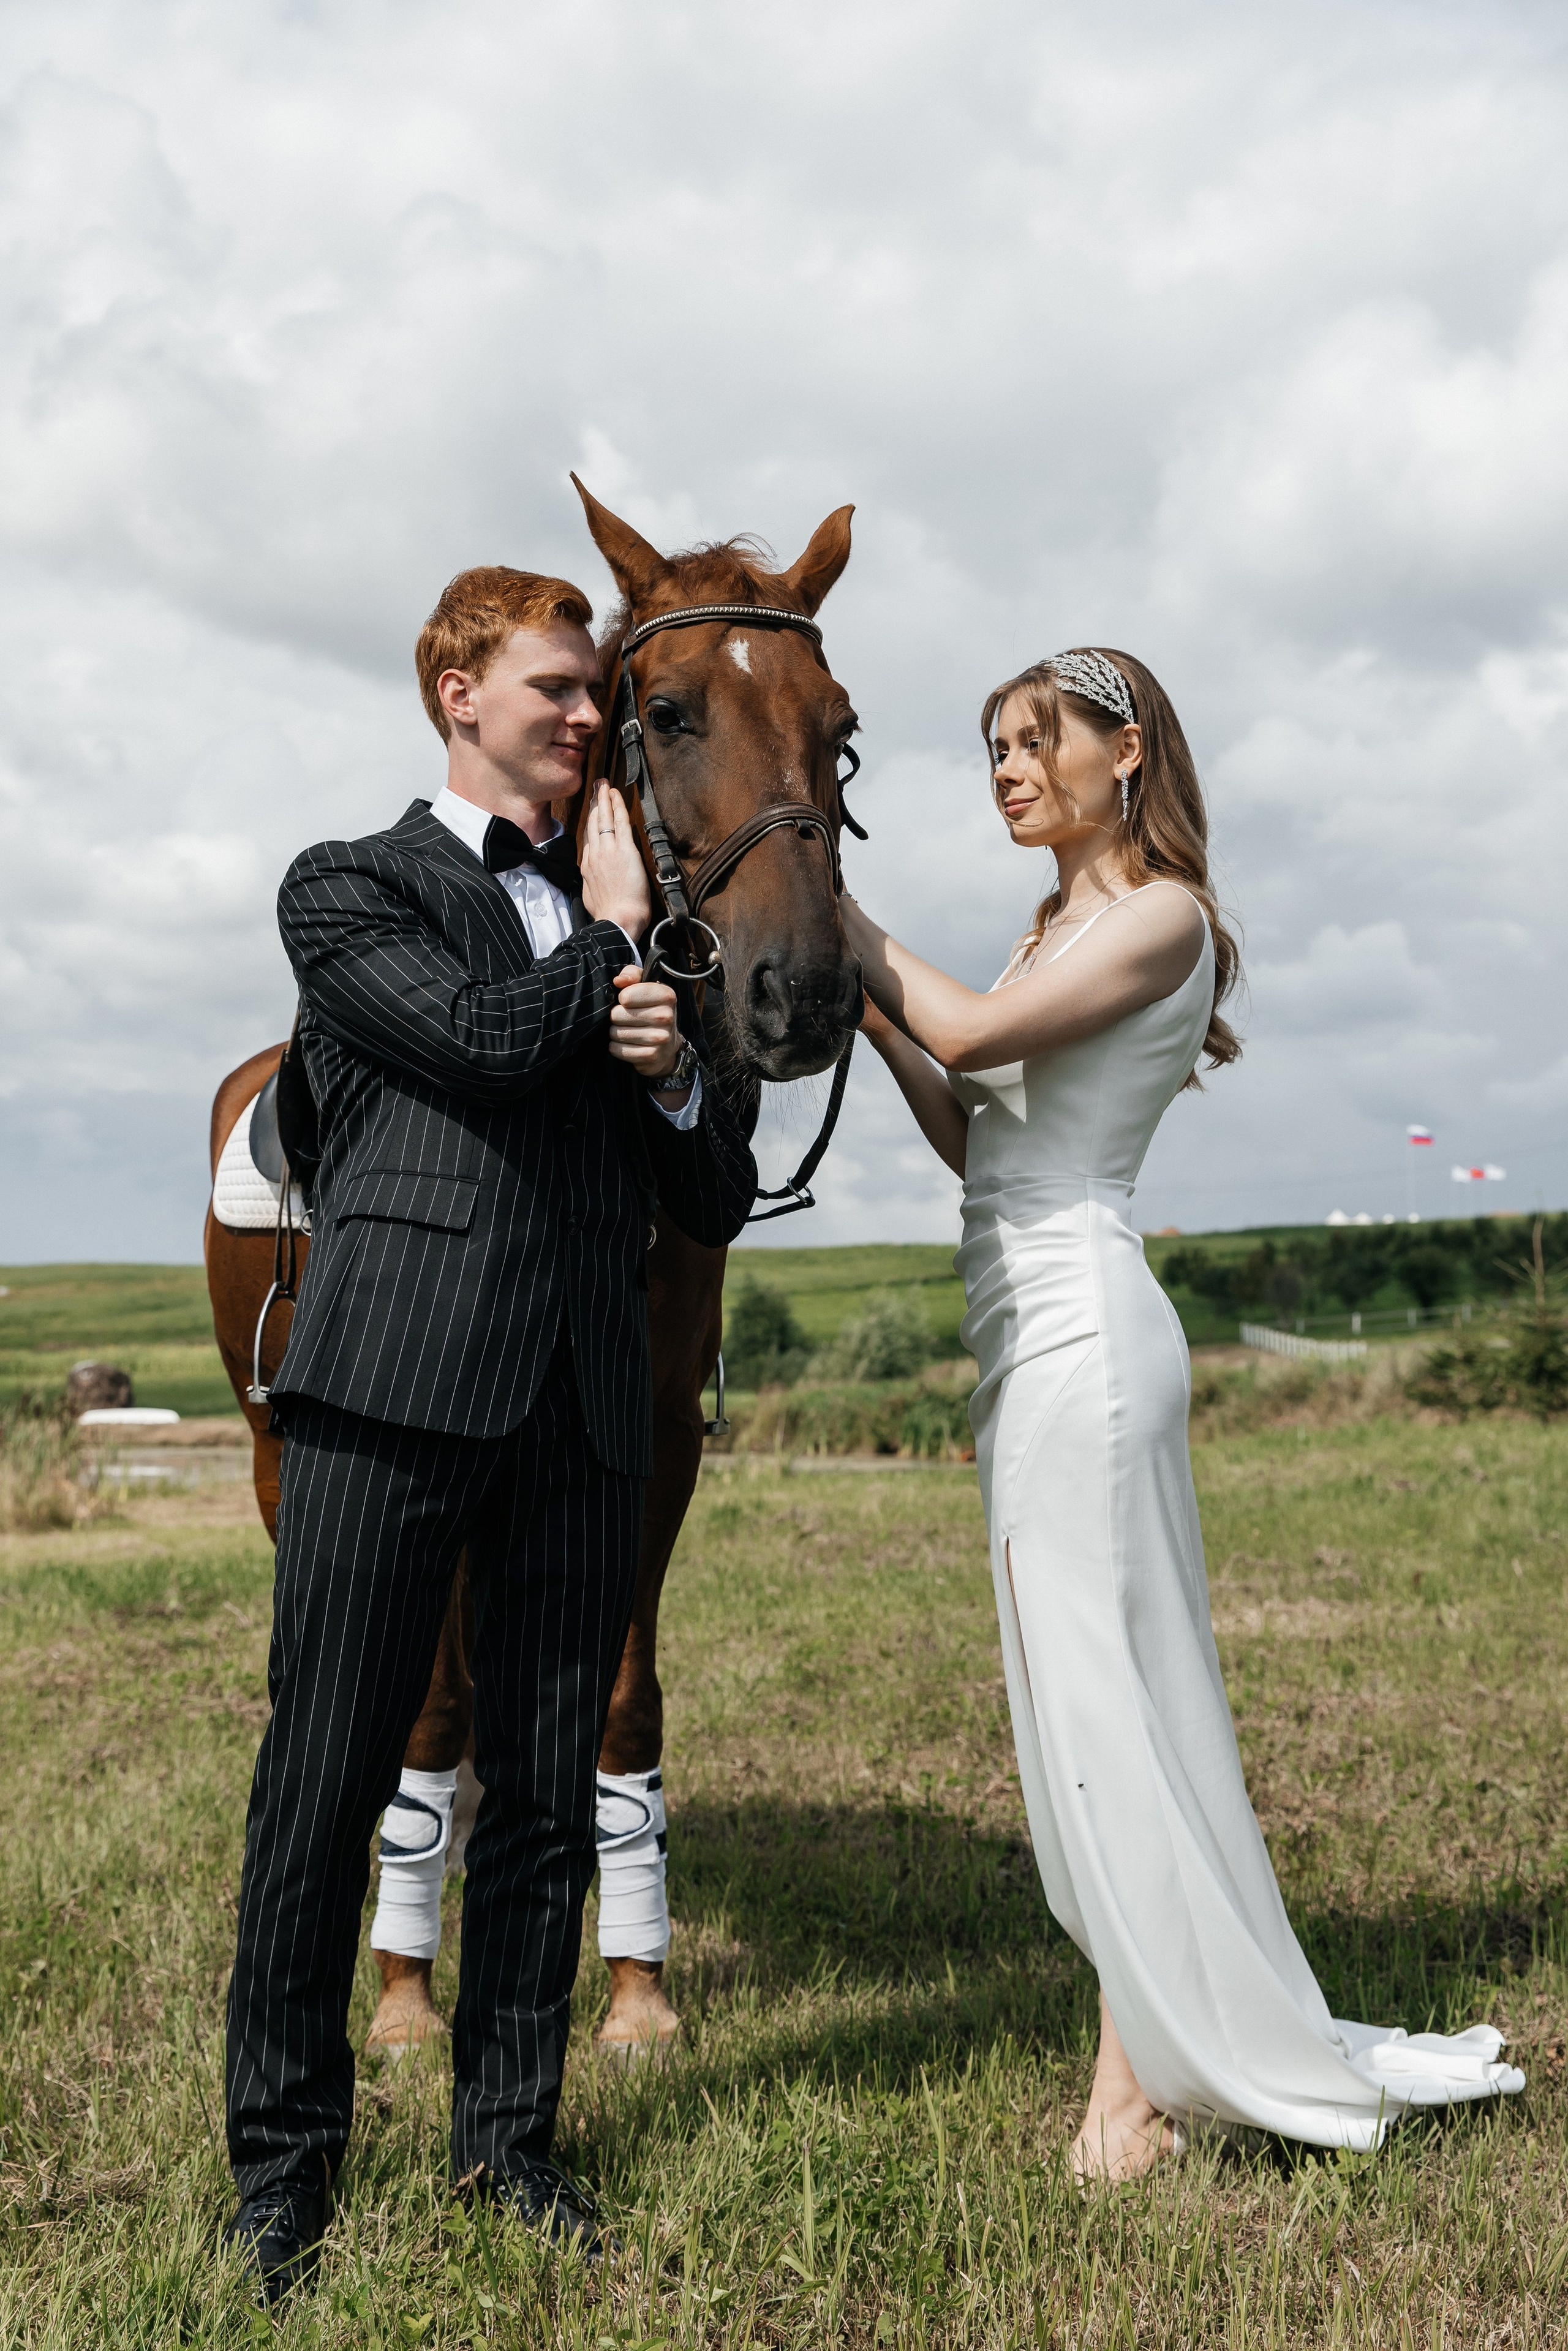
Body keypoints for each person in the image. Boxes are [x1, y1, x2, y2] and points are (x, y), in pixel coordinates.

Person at [842, 647, 1523, 2179]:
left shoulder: (1161, 920)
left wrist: (830, 906)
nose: (1007, 768)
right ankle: (1144, 2052)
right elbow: (972, 1130)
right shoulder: (1047, 929)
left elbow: (960, 1034)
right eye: (990, 751)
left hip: (1086, 1332)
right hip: (1021, 1324)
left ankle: (1134, 2092)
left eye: (1034, 740)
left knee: (1108, 1705)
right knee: (1069, 1701)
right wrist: (870, 1014)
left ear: (1125, 750)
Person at [221, 565, 756, 2301]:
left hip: (591, 1403)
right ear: (458, 691)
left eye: (598, 690)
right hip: (388, 1394)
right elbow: (471, 1038)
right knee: (321, 1787)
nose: (590, 714)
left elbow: (715, 1190)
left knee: (539, 1800)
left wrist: (675, 1071)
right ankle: (285, 2172)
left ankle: (508, 2141)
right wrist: (609, 940)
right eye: (555, 686)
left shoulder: (632, 926)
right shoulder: (350, 886)